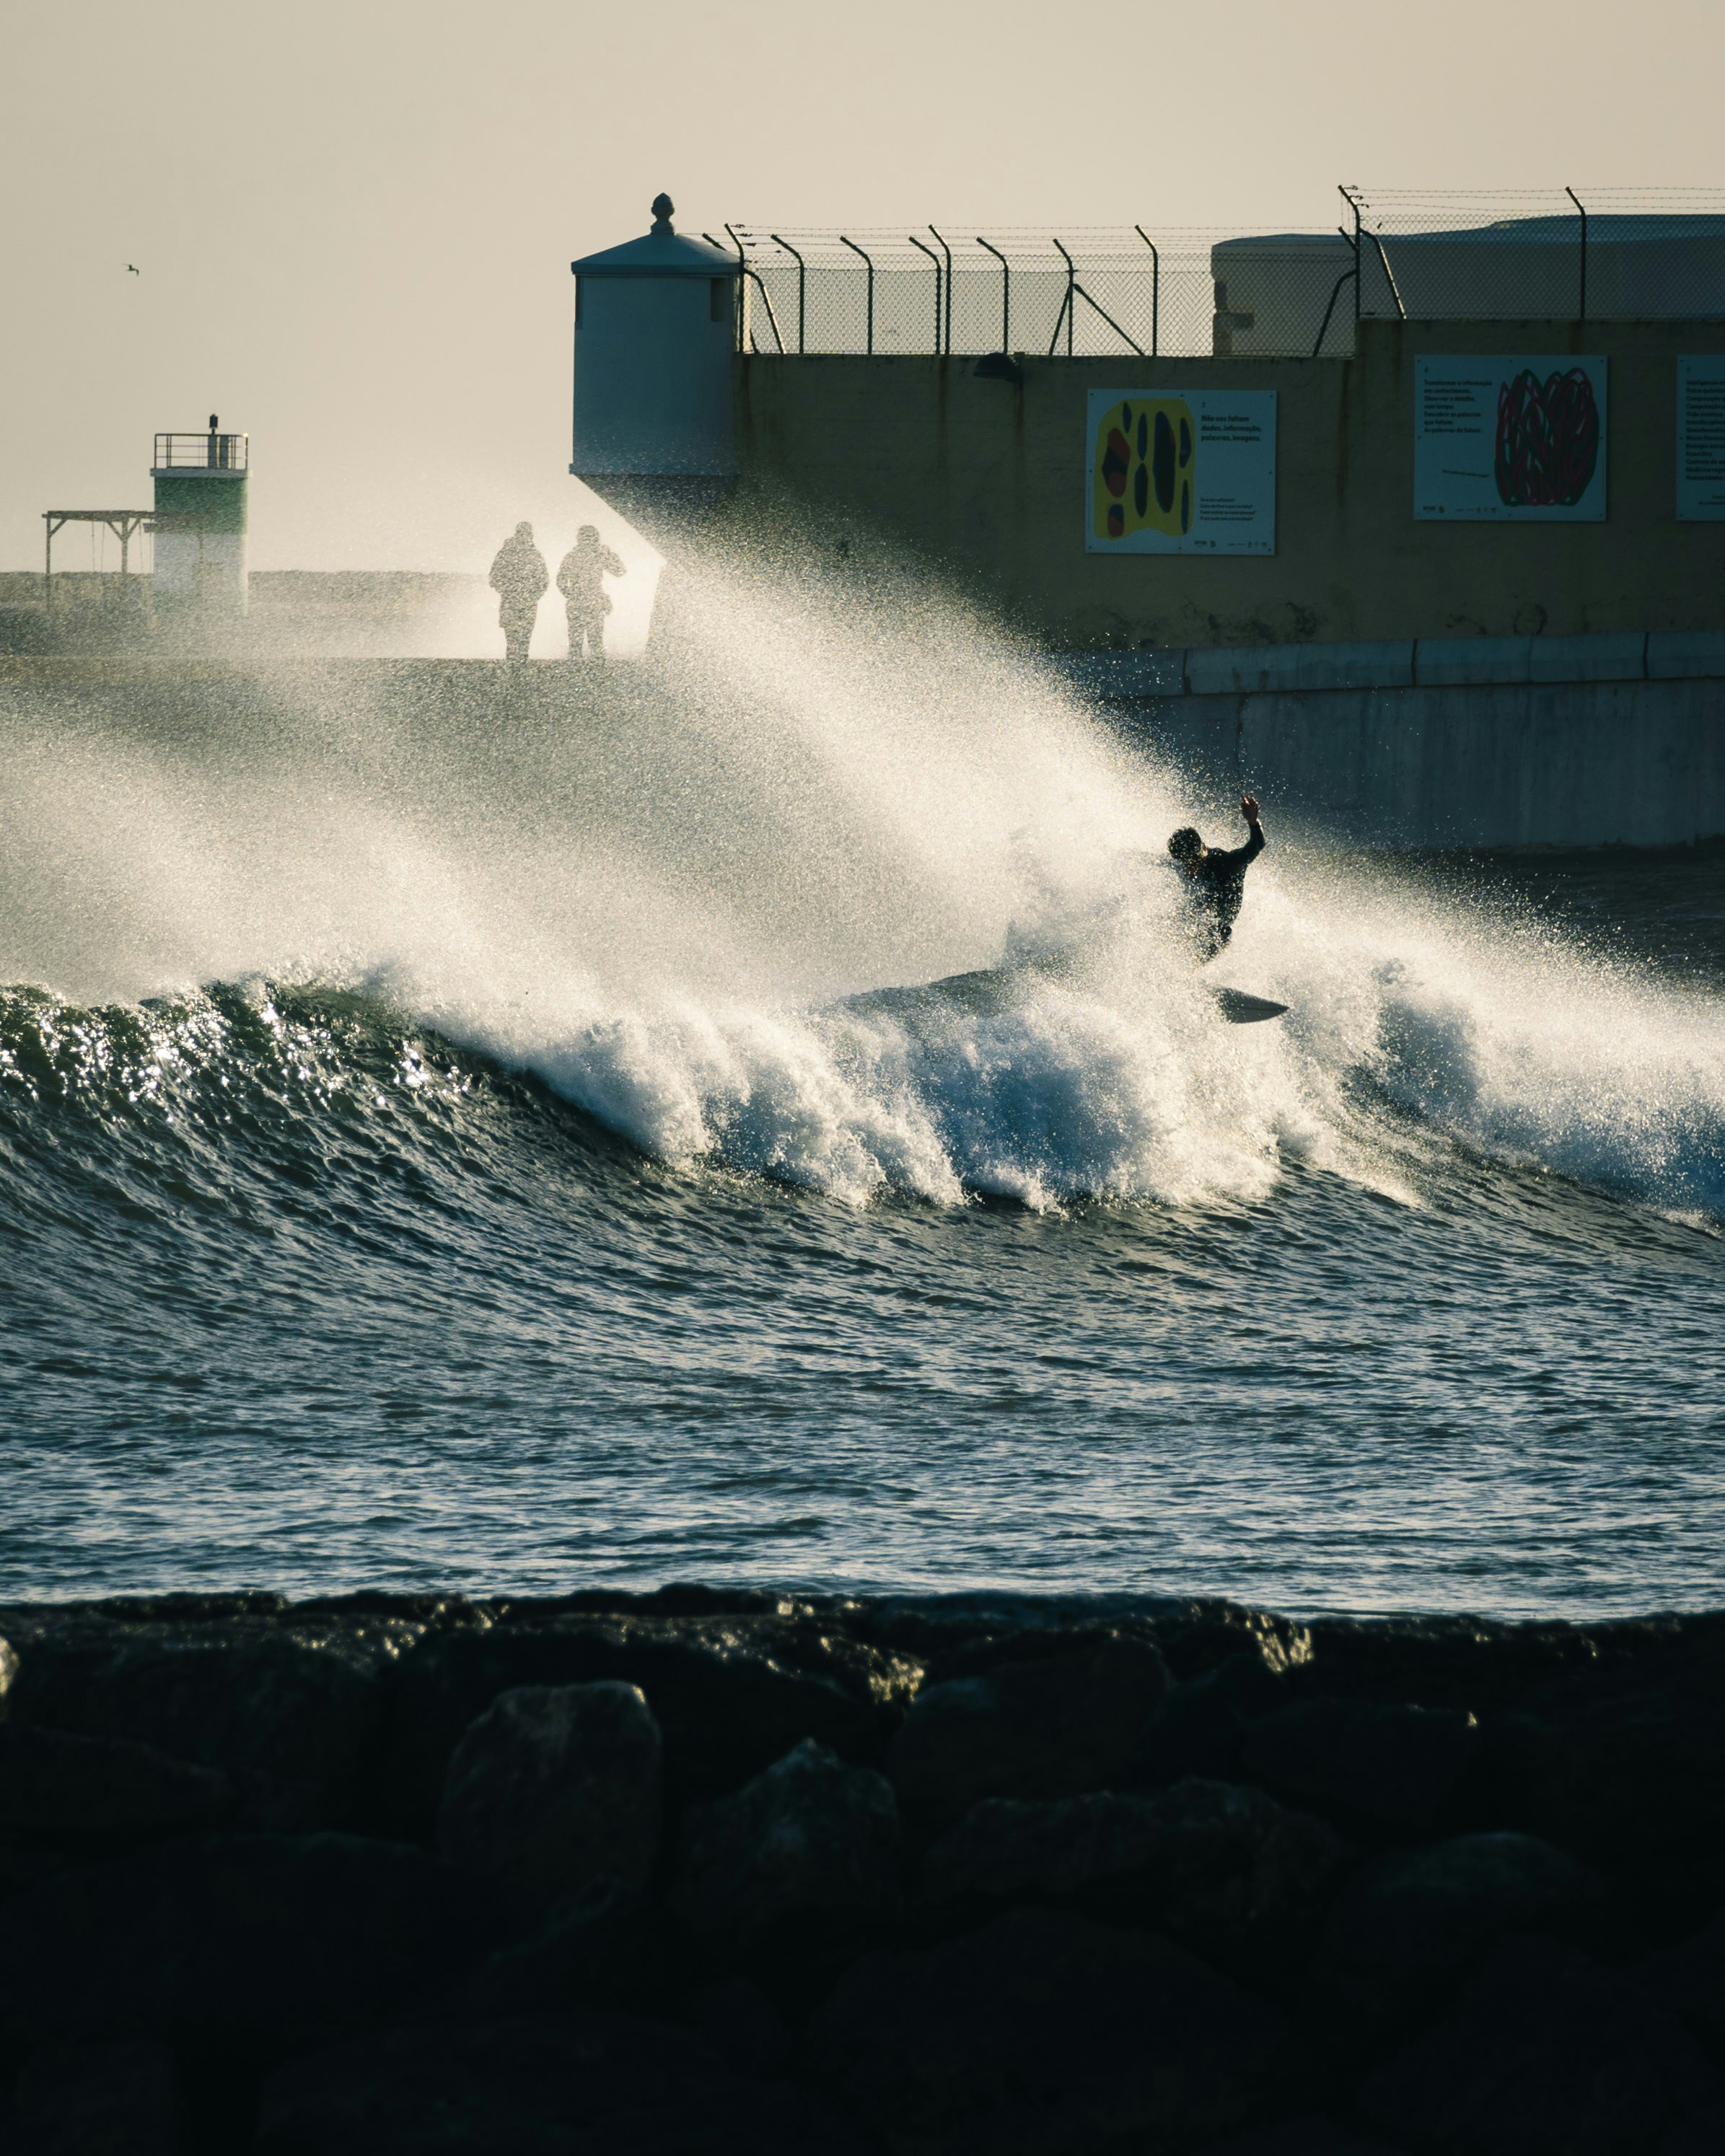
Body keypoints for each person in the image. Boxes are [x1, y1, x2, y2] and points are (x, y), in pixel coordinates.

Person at [1167, 794, 1266, 960]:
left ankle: (1189, 970)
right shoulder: (1183, 863)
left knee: (1220, 932)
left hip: (1219, 928)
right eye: (1184, 864)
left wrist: (1253, 823)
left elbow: (1255, 848)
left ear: (1202, 851)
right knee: (1166, 921)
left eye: (1191, 864)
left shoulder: (1227, 864)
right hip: (1196, 917)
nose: (1188, 870)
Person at [556, 526, 626, 663]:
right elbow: (619, 571)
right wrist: (609, 554)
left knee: (577, 642)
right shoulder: (597, 555)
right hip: (592, 601)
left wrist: (571, 594)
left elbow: (561, 580)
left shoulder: (573, 556)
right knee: (594, 641)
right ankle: (596, 673)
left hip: (580, 602)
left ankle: (577, 671)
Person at [489, 523, 548, 666]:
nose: (524, 537)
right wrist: (509, 590)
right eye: (522, 533)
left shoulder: (533, 555)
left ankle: (519, 660)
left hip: (524, 600)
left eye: (526, 534)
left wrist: (534, 594)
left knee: (524, 632)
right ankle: (515, 661)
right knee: (513, 632)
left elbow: (543, 579)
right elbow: (494, 576)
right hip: (514, 599)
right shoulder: (507, 553)